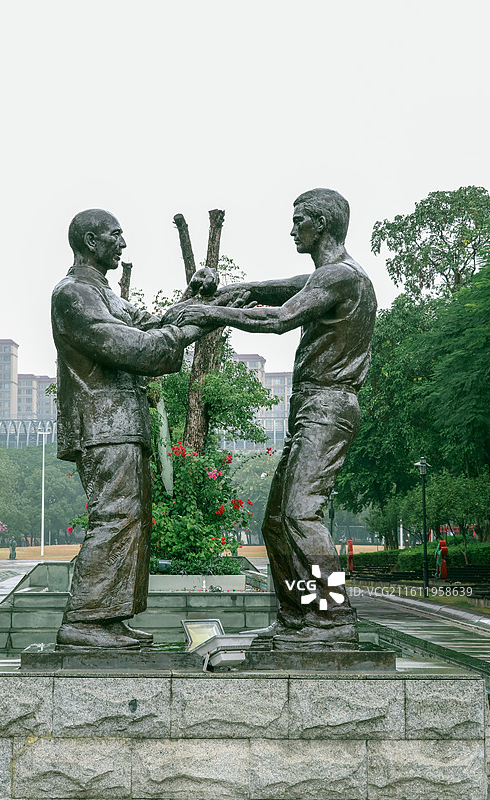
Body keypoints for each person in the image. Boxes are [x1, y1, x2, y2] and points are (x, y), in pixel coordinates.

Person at [168, 189, 377, 649]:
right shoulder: (330, 275)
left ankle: (333, 618)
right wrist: (229, 291)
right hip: (313, 406)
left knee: (301, 514)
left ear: (320, 224)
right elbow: (281, 287)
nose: (292, 228)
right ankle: (299, 617)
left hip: (329, 405)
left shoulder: (343, 277)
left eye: (298, 219)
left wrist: (213, 312)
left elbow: (281, 317)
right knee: (276, 520)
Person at [51, 209, 205, 649]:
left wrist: (195, 301)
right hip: (102, 425)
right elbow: (133, 346)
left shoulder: (106, 294)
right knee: (115, 517)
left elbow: (152, 325)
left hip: (122, 425)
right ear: (90, 240)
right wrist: (193, 326)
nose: (122, 243)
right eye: (115, 235)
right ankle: (83, 621)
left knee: (132, 519)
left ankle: (108, 617)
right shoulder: (74, 294)